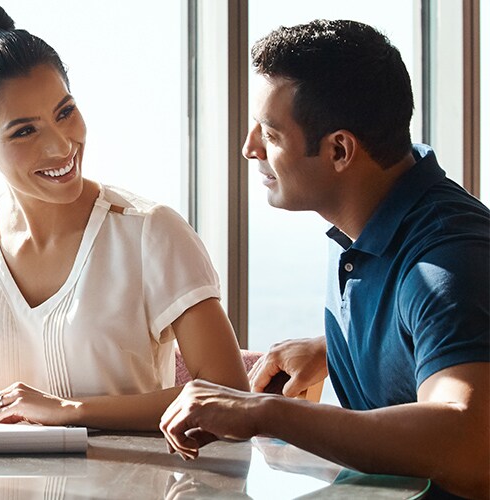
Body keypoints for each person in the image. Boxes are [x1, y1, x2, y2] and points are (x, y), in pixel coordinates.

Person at [0, 0, 248, 431]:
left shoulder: (149, 232)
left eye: (65, 112)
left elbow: (226, 394)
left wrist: (70, 411)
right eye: (25, 131)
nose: (61, 146)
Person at [158, 20, 488, 498]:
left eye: (269, 134)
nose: (249, 148)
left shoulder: (446, 261)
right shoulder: (375, 221)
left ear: (339, 149)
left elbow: (472, 445)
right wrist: (338, 347)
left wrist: (267, 414)